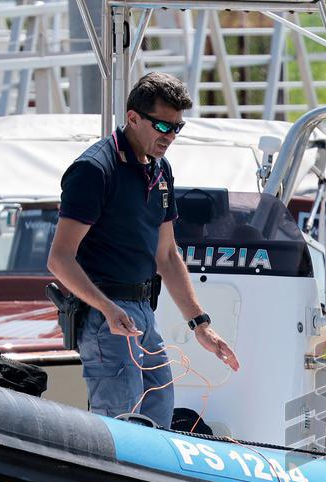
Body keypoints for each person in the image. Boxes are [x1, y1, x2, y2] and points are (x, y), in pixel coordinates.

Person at [47, 72, 239, 427]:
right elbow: (59, 258)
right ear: (133, 118)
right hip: (104, 315)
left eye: (177, 128)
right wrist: (106, 308)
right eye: (162, 126)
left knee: (161, 406)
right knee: (123, 423)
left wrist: (200, 324)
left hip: (141, 313)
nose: (170, 137)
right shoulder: (94, 170)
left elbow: (166, 255)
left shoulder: (160, 169)